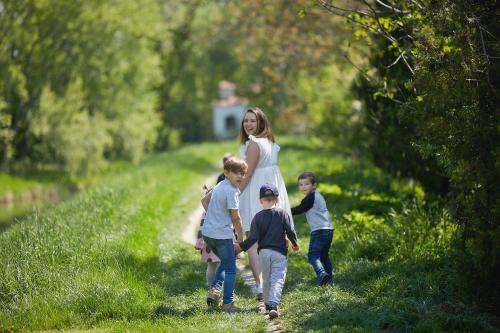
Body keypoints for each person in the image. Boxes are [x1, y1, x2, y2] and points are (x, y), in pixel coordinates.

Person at [238, 107, 293, 300]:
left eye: (253, 120)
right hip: (271, 186)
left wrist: (237, 192)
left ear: (261, 122)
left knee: (253, 239)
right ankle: (269, 283)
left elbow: (249, 172)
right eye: (246, 121)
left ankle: (261, 286)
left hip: (255, 190)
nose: (248, 124)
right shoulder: (271, 143)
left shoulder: (254, 143)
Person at [235, 183, 299, 319]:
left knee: (266, 279)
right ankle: (273, 305)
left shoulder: (257, 217)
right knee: (277, 279)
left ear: (260, 200)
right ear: (277, 199)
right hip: (279, 252)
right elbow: (290, 231)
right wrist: (294, 243)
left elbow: (253, 238)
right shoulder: (282, 213)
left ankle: (267, 305)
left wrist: (241, 247)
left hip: (263, 252)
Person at [201, 157, 247, 312]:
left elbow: (204, 200)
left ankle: (214, 292)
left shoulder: (220, 184)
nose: (240, 176)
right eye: (236, 173)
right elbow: (236, 218)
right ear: (226, 173)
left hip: (208, 233)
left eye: (243, 173)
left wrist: (213, 217)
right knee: (231, 269)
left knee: (226, 261)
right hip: (221, 235)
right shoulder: (232, 191)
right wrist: (240, 240)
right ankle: (228, 304)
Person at [195, 153, 236, 287]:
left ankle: (210, 284)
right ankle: (217, 287)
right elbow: (234, 223)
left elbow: (202, 225)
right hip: (222, 238)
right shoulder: (228, 203)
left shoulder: (209, 208)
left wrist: (200, 241)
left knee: (212, 266)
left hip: (209, 240)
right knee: (223, 264)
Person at [291, 171, 334, 286]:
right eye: (301, 184)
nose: (303, 187)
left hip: (319, 231)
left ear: (313, 185)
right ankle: (328, 278)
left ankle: (321, 274)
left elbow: (300, 209)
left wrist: (286, 211)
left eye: (306, 184)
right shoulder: (318, 196)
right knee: (324, 256)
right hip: (329, 230)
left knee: (312, 256)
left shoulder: (310, 198)